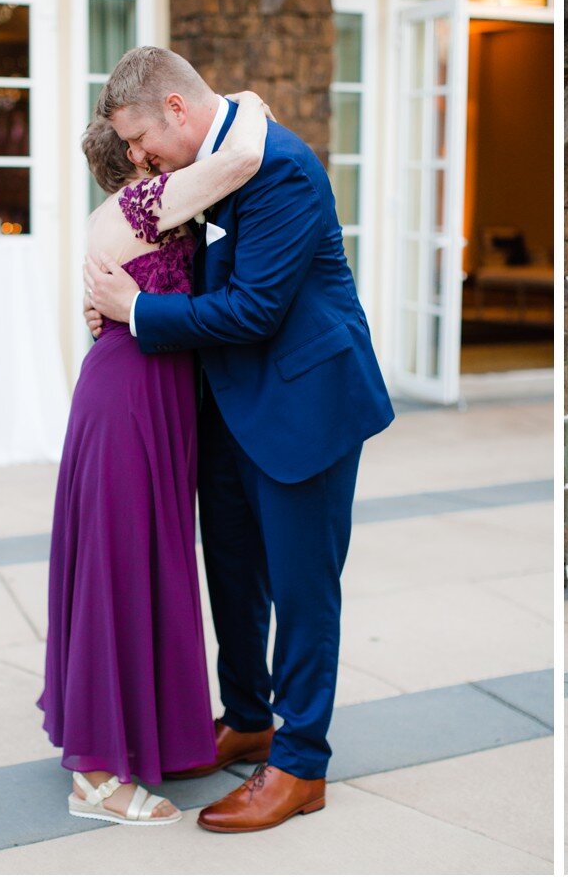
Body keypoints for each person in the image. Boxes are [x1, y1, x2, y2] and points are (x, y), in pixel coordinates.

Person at [84, 46, 395, 833]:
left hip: (305, 403)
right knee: (232, 570)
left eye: (141, 138)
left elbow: (256, 309)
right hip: (230, 404)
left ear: (177, 111)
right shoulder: (213, 161)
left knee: (300, 587)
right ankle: (249, 715)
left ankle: (299, 763)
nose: (138, 158)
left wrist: (136, 312)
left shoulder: (281, 167)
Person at [41, 91, 271, 825]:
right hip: (133, 402)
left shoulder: (130, 215)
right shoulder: (151, 204)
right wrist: (244, 103)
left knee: (137, 567)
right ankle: (98, 780)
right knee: (120, 571)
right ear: (139, 165)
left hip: (141, 394)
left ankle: (127, 736)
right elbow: (241, 153)